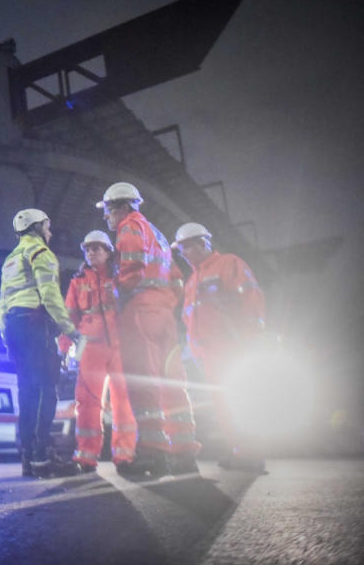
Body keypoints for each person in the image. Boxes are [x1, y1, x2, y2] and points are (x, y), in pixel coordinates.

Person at [97, 182, 199, 477]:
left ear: (121, 206)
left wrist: (114, 290)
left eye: (107, 210)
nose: (107, 217)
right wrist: (165, 302)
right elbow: (177, 278)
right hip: (164, 313)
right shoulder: (159, 234)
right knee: (172, 383)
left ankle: (154, 454)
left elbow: (131, 269)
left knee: (144, 383)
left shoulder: (129, 227)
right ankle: (184, 453)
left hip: (139, 310)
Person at [172, 222, 266, 469]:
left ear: (202, 243)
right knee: (224, 402)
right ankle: (240, 451)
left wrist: (253, 336)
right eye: (181, 249)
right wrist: (194, 349)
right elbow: (189, 318)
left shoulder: (228, 263)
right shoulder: (192, 280)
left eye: (187, 248)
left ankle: (252, 453)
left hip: (232, 346)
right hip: (209, 354)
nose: (184, 254)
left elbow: (251, 297)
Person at [0, 208, 81, 478]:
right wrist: (70, 329)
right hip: (34, 323)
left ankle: (29, 457)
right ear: (36, 228)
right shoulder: (40, 253)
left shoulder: (10, 259)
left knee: (26, 390)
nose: (50, 232)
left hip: (14, 326)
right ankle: (43, 456)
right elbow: (49, 295)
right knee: (47, 387)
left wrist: (6, 338)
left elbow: (1, 304)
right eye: (47, 226)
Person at [58, 230, 137, 472]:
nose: (92, 252)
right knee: (88, 402)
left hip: (120, 345)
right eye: (88, 249)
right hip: (90, 347)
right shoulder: (77, 281)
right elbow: (69, 316)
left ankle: (125, 455)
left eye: (97, 248)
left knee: (124, 401)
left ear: (108, 252)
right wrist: (63, 348)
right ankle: (86, 456)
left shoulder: (121, 279)